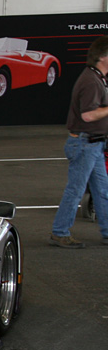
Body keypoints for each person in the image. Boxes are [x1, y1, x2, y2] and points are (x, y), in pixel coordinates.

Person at [50, 36, 108, 248]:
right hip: (86, 144)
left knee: (102, 190)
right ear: (103, 57)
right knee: (75, 190)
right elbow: (88, 115)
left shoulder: (97, 78)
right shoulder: (91, 81)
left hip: (93, 144)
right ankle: (60, 232)